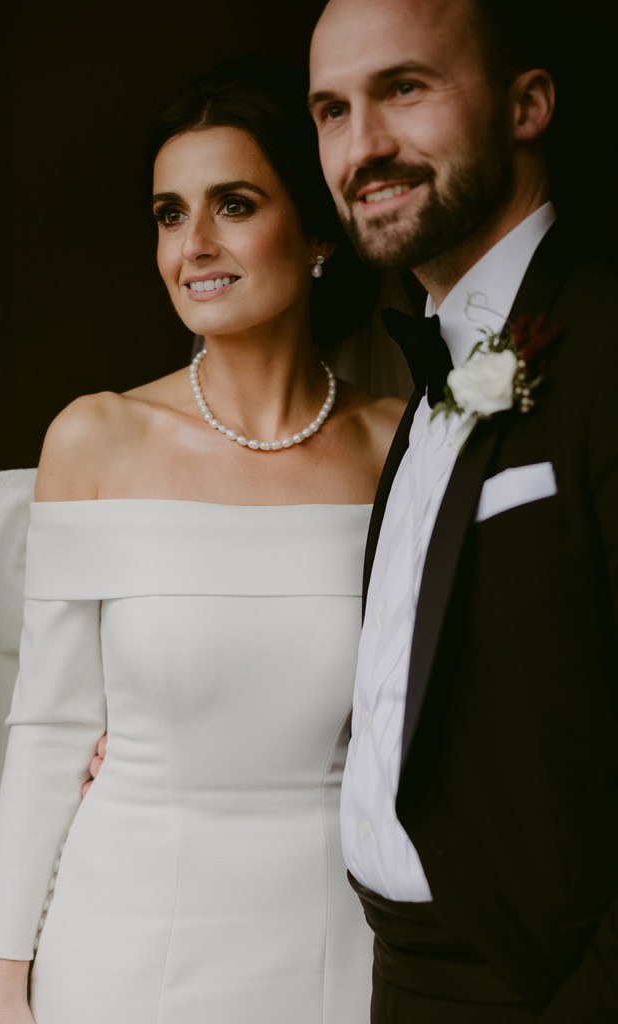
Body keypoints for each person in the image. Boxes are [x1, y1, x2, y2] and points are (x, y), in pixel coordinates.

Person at [0, 58, 405, 1024]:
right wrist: (3, 983)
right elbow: (47, 733)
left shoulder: (399, 448)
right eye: (170, 214)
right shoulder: (96, 438)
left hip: (338, 943)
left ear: (319, 232)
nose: (194, 245)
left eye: (234, 204)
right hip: (122, 945)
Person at [307, 0, 618, 1020]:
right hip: (397, 976)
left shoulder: (604, 346)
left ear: (526, 104)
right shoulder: (426, 366)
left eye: (402, 89)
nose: (364, 147)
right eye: (330, 110)